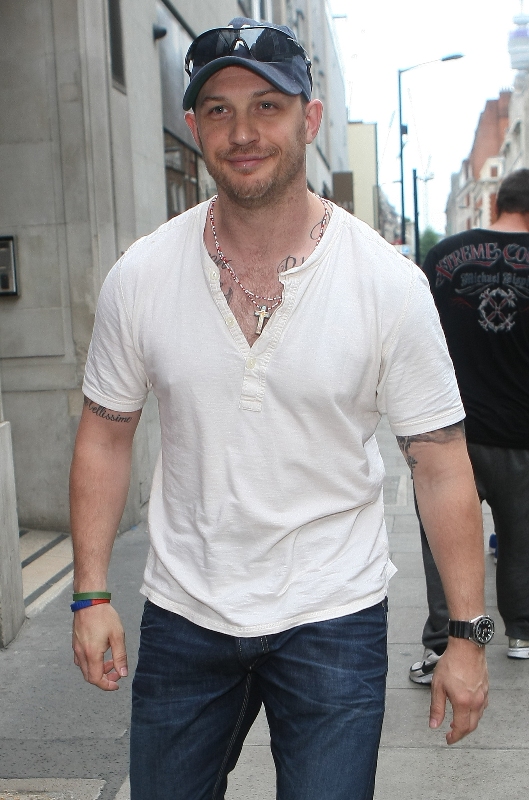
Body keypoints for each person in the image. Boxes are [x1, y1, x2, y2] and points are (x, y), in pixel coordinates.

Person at [70, 17, 490, 800]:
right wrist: (90, 593)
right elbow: (105, 432)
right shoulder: (142, 275)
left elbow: (437, 461)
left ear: (310, 119)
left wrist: (467, 633)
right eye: (219, 110)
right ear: (193, 125)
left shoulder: (386, 284)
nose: (243, 132)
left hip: (333, 611)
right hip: (186, 609)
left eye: (267, 105)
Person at [410, 168, 529, 686]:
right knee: (522, 538)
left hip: (450, 430)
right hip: (522, 433)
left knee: (444, 538)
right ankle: (521, 633)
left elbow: (418, 334)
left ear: (495, 203)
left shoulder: (444, 256)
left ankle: (443, 643)